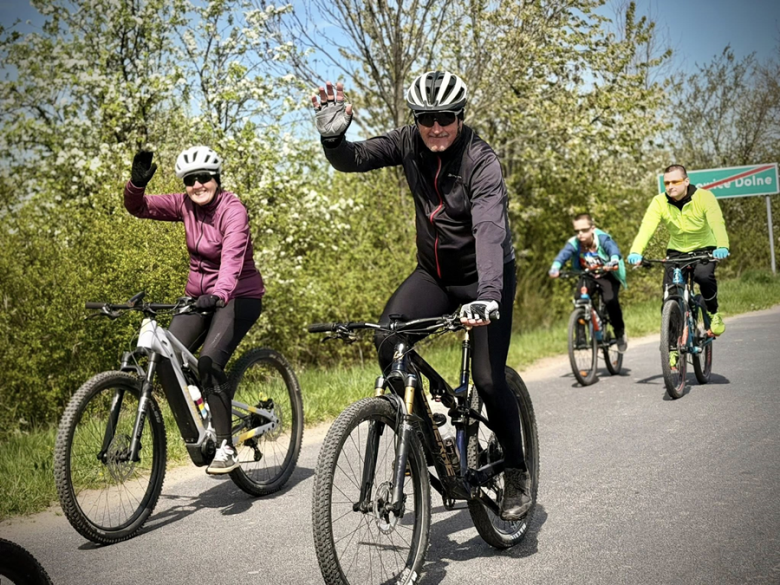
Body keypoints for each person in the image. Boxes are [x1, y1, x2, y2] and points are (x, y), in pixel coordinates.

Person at [312, 71, 530, 520]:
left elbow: (490, 231)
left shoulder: (481, 160)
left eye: (445, 118)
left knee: (489, 380)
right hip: (433, 274)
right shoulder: (408, 142)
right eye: (426, 118)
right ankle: (422, 434)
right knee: (388, 339)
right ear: (416, 119)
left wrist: (489, 295)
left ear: (460, 116)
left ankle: (516, 472)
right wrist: (334, 141)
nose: (435, 127)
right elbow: (354, 158)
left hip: (483, 280)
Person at [124, 146, 265, 474]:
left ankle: (227, 446)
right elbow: (139, 207)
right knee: (166, 357)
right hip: (198, 298)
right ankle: (203, 427)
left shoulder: (233, 211)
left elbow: (231, 259)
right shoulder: (184, 204)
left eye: (204, 178)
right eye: (191, 180)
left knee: (209, 362)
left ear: (216, 179)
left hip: (237, 296)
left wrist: (219, 294)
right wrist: (136, 184)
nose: (198, 185)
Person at [627, 164, 729, 336]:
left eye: (675, 181)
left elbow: (717, 223)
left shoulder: (704, 197)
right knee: (669, 296)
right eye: (667, 183)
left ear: (686, 181)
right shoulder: (659, 202)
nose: (670, 186)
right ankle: (672, 347)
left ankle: (712, 312)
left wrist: (722, 246)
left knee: (703, 277)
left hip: (704, 249)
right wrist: (636, 251)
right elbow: (647, 228)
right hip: (676, 251)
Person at [549, 213, 628, 352]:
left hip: (607, 274)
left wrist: (613, 260)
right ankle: (580, 338)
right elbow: (564, 254)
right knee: (579, 300)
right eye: (577, 231)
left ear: (592, 228)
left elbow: (612, 249)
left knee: (610, 300)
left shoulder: (602, 238)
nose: (580, 234)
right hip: (588, 275)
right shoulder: (574, 243)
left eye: (584, 230)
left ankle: (619, 332)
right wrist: (555, 267)